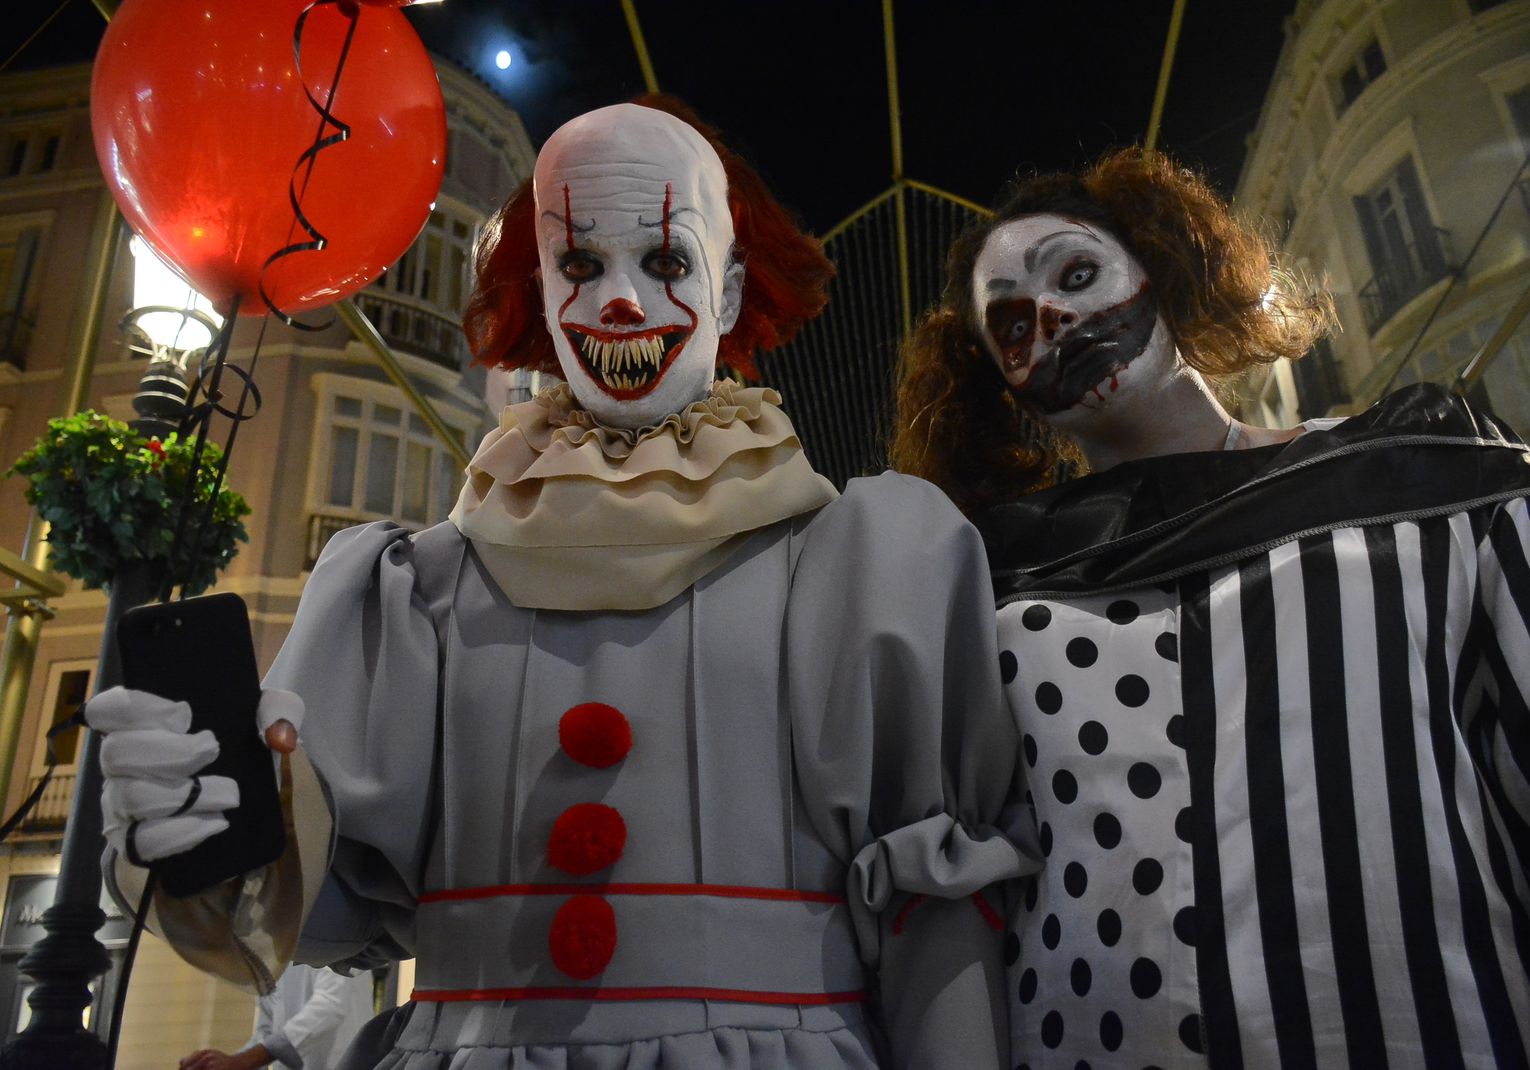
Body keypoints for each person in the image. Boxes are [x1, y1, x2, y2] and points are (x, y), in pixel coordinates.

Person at [89, 97, 1036, 1070]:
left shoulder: (860, 565)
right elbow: (312, 918)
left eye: (665, 261)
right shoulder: (417, 590)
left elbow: (940, 915)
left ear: (727, 290)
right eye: (581, 264)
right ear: (542, 291)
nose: (619, 302)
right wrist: (196, 822)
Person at [892, 147, 1530, 1069]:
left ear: (1164, 267)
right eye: (1014, 326)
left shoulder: (1430, 476)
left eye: (1077, 274)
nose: (1055, 318)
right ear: (1006, 389)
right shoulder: (990, 584)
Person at [178, 964, 374, 1070]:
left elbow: (330, 1006)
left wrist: (243, 1061)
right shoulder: (273, 957)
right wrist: (224, 1064)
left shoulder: (331, 929)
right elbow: (266, 1032)